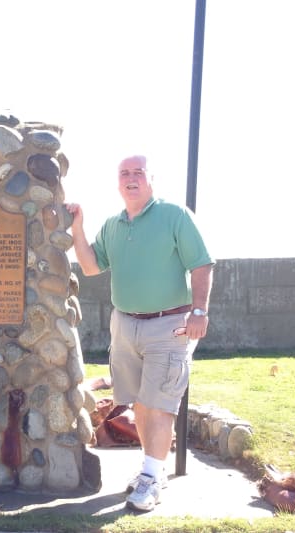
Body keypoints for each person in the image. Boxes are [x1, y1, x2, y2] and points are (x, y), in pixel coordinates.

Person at [66, 154, 214, 512]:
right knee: (140, 405)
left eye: (138, 173)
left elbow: (202, 264)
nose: (131, 178)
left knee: (159, 404)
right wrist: (79, 228)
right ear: (118, 183)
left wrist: (199, 310)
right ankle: (153, 469)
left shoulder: (175, 216)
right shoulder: (114, 225)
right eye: (124, 173)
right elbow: (89, 266)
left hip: (170, 324)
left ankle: (150, 479)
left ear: (150, 179)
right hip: (125, 324)